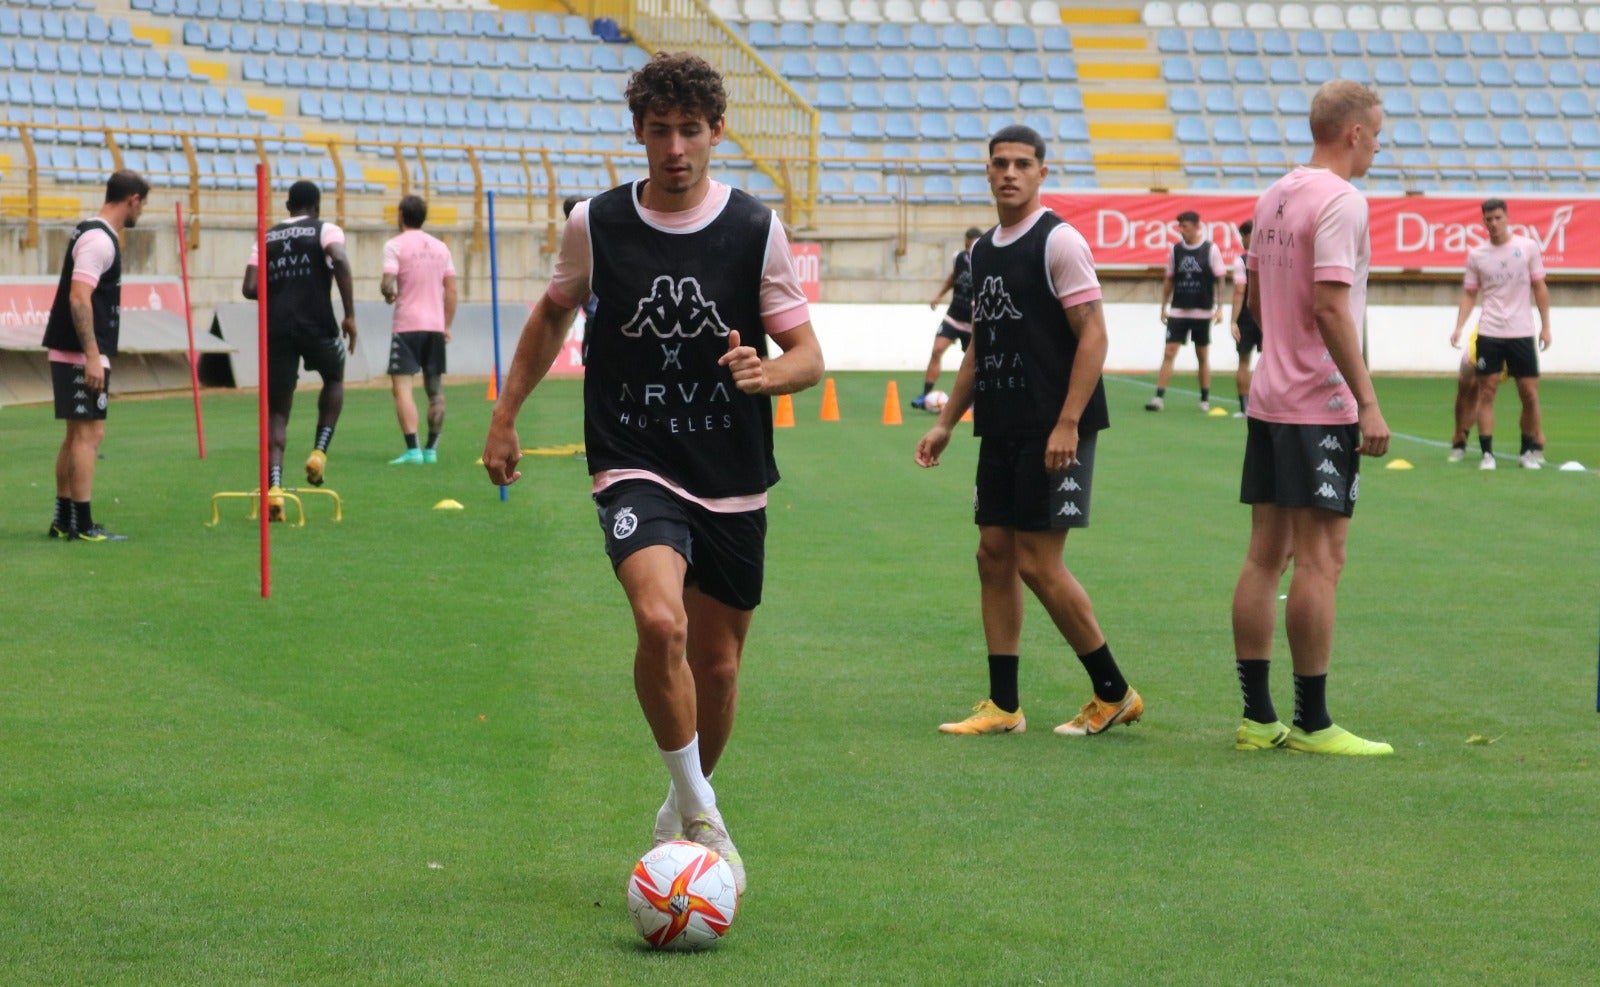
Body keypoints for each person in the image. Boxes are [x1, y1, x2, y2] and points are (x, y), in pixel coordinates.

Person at [481, 52, 824, 895]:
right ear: (638, 132)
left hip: (732, 467)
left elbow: (808, 355)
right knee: (660, 621)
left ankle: (681, 809)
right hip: (634, 458)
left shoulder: (755, 229)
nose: (675, 148)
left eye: (690, 131)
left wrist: (768, 374)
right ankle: (705, 815)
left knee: (719, 667)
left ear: (716, 133)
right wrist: (505, 414)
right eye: (660, 130)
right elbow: (551, 315)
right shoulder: (595, 224)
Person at [916, 125, 1142, 740]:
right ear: (987, 172)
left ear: (1042, 172)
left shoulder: (1058, 241)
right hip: (1002, 425)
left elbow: (1094, 335)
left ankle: (1114, 692)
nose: (1009, 173)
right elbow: (980, 346)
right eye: (1000, 163)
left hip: (1054, 427)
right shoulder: (983, 252)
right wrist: (946, 421)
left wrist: (1067, 422)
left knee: (1039, 563)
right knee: (993, 555)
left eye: (1022, 163)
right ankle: (1004, 705)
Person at [1231, 80, 1393, 756]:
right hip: (1317, 404)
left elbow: (1255, 301)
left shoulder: (1275, 194)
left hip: (1270, 398)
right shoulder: (1342, 200)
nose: (1378, 146)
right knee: (1322, 559)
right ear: (1354, 132)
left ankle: (1257, 718)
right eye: (1377, 134)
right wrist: (1367, 401)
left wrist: (1280, 355)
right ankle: (1314, 722)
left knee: (1264, 555)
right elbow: (1330, 306)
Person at [41, 170, 149, 542]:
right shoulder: (99, 240)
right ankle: (83, 525)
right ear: (132, 200)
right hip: (80, 353)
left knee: (76, 435)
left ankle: (64, 519)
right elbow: (78, 297)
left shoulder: (91, 233)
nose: (141, 212)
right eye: (142, 205)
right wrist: (91, 355)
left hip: (72, 350)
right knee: (89, 435)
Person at [242, 180, 356, 515]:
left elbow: (250, 288)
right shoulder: (326, 230)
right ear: (316, 207)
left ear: (287, 206)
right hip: (317, 322)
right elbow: (340, 259)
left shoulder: (265, 238)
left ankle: (275, 489)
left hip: (277, 328)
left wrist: (282, 287)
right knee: (334, 377)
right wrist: (349, 315)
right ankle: (319, 452)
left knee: (277, 411)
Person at [1449, 198, 1552, 471]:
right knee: (1487, 392)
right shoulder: (1477, 254)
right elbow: (1470, 293)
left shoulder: (1527, 248)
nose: (1493, 223)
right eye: (1489, 219)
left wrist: (1546, 326)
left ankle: (1527, 451)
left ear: (1507, 217)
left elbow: (1539, 287)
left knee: (1529, 394)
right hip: (1490, 332)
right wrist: (1459, 326)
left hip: (1522, 332)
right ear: (1483, 222)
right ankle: (1487, 454)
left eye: (1498, 218)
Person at [381, 194, 457, 465]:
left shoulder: (395, 245)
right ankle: (431, 450)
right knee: (435, 390)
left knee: (402, 388)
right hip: (434, 326)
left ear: (401, 215)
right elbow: (451, 290)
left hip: (407, 325)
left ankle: (413, 450)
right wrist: (447, 324)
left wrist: (389, 294)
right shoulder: (441, 248)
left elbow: (387, 283)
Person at [1148, 209, 1225, 412]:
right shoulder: (1176, 250)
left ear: (1197, 227)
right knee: (1169, 351)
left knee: (1202, 354)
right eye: (1180, 227)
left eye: (1186, 227)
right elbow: (1169, 279)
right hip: (1178, 310)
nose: (1182, 230)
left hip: (1202, 311)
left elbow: (1220, 279)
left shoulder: (1211, 250)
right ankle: (1158, 398)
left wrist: (1220, 308)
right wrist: (1163, 306)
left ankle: (1204, 399)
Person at [911, 226, 982, 410]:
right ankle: (925, 395)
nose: (968, 250)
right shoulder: (959, 258)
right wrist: (938, 295)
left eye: (972, 246)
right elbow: (953, 278)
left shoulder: (986, 261)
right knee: (937, 350)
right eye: (966, 245)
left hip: (973, 322)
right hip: (954, 315)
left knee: (974, 363)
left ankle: (975, 400)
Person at [1229, 219, 1260, 417]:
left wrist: (1233, 320)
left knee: (1243, 361)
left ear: (1250, 236)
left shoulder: (1242, 261)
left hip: (1247, 316)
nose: (1242, 241)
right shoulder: (1272, 258)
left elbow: (1240, 291)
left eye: (1243, 237)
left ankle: (1244, 408)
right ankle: (1269, 406)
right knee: (1271, 362)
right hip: (1270, 315)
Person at [1446, 328, 1477, 462]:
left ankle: (1462, 437)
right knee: (1465, 387)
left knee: (1482, 391)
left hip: (1514, 338)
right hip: (1484, 337)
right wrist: (1459, 328)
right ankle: (1459, 433)